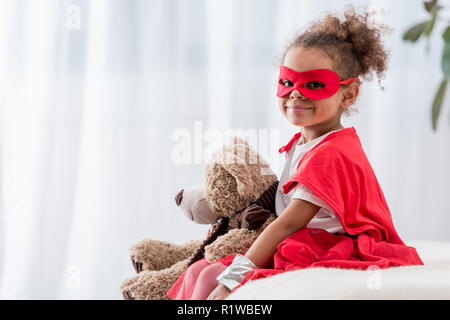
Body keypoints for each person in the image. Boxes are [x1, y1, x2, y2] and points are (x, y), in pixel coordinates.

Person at [167, 5, 424, 301]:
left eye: (314, 84)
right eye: (288, 82)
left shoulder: (330, 155)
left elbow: (288, 222)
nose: (295, 93)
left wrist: (231, 281)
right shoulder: (306, 143)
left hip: (326, 244)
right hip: (302, 235)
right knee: (200, 269)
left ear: (348, 94)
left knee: (212, 275)